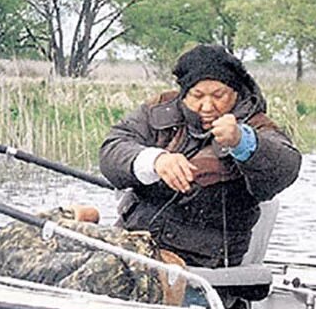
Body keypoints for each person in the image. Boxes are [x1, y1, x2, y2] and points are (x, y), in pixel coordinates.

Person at [100, 45, 301, 269]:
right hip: (134, 241)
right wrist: (154, 160)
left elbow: (286, 167)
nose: (207, 106)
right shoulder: (158, 110)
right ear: (184, 94)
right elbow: (112, 149)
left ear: (235, 93)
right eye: (197, 96)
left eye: (218, 95)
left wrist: (242, 141)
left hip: (203, 261)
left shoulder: (257, 125)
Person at [0, 205, 186, 305]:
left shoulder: (16, 235)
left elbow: (87, 213)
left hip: (144, 277)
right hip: (146, 263)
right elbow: (89, 213)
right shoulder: (19, 229)